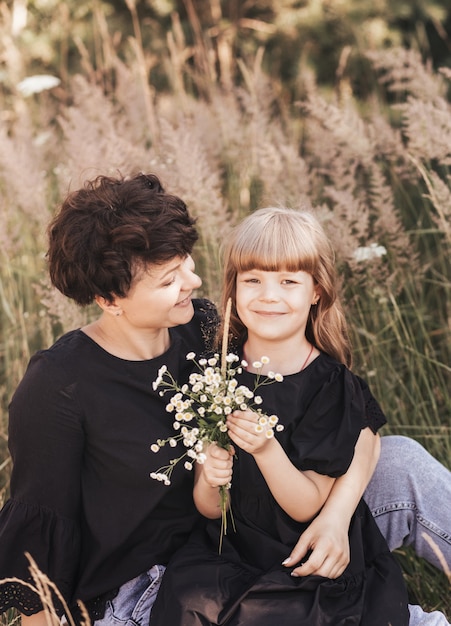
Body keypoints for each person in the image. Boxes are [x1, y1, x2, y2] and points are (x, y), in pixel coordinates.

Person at [0, 176, 449, 626]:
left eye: (187, 264)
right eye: (170, 280)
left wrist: (336, 515)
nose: (193, 282)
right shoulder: (59, 385)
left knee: (403, 463)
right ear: (108, 299)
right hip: (152, 588)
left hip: (257, 530)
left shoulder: (204, 327)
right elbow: (35, 544)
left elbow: (358, 418)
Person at [148, 207, 450, 626]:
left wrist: (268, 450)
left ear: (316, 292)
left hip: (302, 551)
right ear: (233, 288)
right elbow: (211, 509)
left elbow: (308, 505)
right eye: (252, 280)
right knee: (190, 600)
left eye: (288, 281)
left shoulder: (330, 386)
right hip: (233, 552)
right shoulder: (215, 371)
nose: (268, 295)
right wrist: (209, 476)